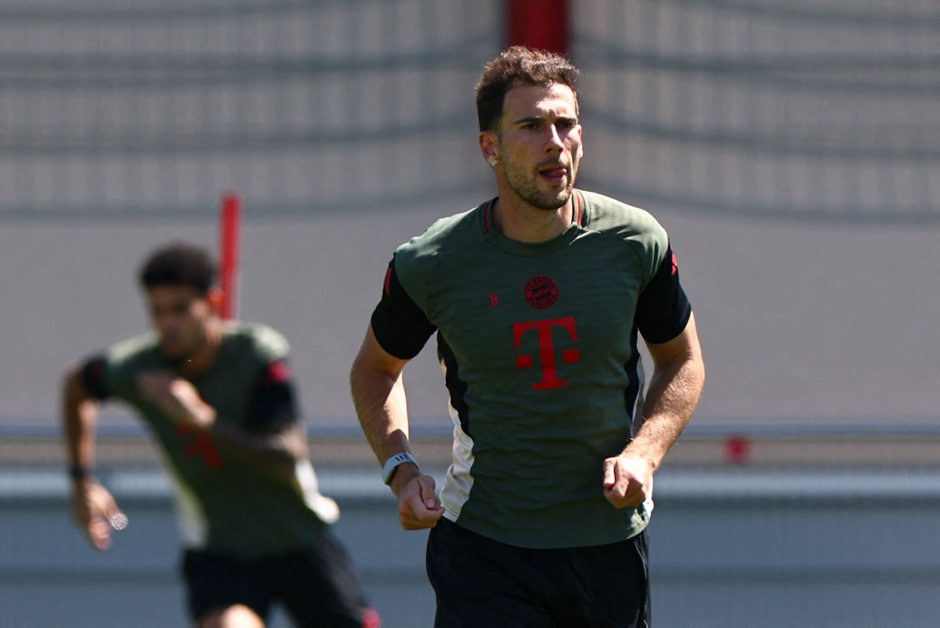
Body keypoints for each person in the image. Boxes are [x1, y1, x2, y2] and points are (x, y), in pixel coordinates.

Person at [350, 46, 705, 627]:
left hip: (607, 541)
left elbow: (682, 361)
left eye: (566, 124)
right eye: (532, 126)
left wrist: (645, 452)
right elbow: (374, 370)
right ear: (490, 147)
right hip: (484, 545)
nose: (555, 142)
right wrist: (401, 469)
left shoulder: (635, 241)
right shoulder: (432, 261)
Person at [62, 242, 380, 628]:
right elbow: (77, 384)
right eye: (157, 311)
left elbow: (285, 454)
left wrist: (200, 419)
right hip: (220, 550)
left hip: (298, 536)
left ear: (212, 301)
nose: (167, 324)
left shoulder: (256, 354)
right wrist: (82, 481)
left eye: (179, 309)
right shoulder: (142, 368)